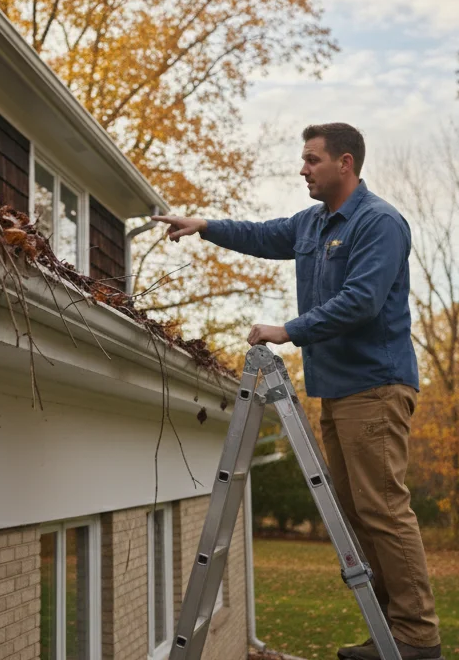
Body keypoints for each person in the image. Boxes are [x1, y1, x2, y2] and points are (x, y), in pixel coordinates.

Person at [151, 123, 442, 660]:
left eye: (312, 159)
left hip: (375, 387)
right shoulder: (312, 224)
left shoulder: (378, 223)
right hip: (338, 391)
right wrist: (204, 225)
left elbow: (362, 300)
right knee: (357, 513)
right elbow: (263, 235)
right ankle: (388, 632)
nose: (302, 169)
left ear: (345, 163)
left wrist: (289, 329)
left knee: (382, 509)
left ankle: (417, 637)